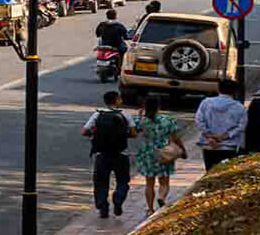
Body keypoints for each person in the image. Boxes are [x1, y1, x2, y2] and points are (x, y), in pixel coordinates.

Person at [81, 90, 136, 218]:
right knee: (122, 181)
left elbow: (84, 131)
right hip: (120, 154)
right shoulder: (125, 115)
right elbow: (133, 133)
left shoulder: (97, 115)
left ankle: (103, 207)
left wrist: (95, 134)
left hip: (102, 154)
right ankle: (118, 199)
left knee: (100, 182)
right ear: (117, 101)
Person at [133, 94, 188, 212]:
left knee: (149, 183)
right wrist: (182, 150)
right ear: (159, 106)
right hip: (164, 152)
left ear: (145, 106)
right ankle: (161, 197)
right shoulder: (167, 120)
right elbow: (176, 137)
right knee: (164, 182)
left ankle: (150, 208)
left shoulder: (141, 121)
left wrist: (140, 115)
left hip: (148, 153)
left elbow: (135, 131)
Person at [195, 78, 248, 171]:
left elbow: (199, 120)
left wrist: (209, 136)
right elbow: (241, 126)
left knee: (210, 171)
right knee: (225, 172)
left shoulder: (206, 103)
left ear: (218, 89)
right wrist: (225, 136)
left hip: (209, 145)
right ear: (234, 91)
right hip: (229, 145)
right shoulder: (239, 107)